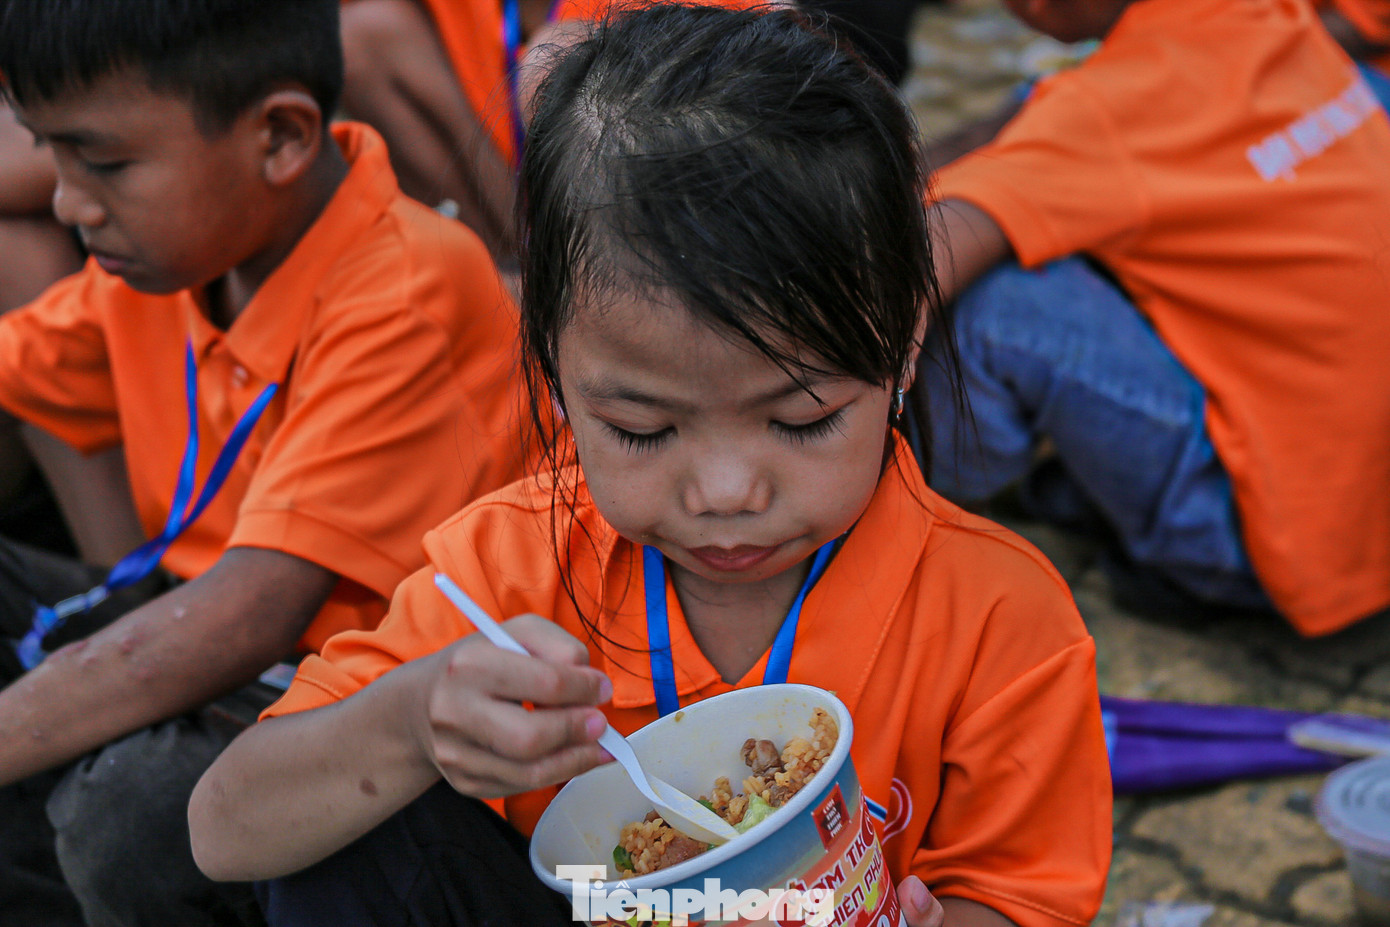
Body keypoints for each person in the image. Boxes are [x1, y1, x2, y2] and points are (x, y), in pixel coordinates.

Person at [189, 6, 1113, 927]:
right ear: (551, 363)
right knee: (357, 838)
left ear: (905, 340)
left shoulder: (998, 620)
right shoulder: (505, 581)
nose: (725, 493)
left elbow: (1023, 895)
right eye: (643, 429)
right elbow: (223, 831)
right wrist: (415, 720)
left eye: (803, 420)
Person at [0, 0, 531, 924]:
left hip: (362, 692)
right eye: (54, 154)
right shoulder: (174, 260)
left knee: (129, 811)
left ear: (281, 137)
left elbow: (251, 616)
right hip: (208, 623)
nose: (68, 203)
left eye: (107, 163)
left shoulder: (407, 285)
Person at [916, 0, 1390, 637]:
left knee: (997, 306)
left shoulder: (1101, 114)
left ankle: (923, 505)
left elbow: (924, 254)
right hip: (1366, 518)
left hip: (1271, 551)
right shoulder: (1268, 17)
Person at [336, 0, 760, 267]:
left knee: (558, 62)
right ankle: (524, 275)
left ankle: (607, 290)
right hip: (510, 195)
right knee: (358, 35)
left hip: (666, 213)